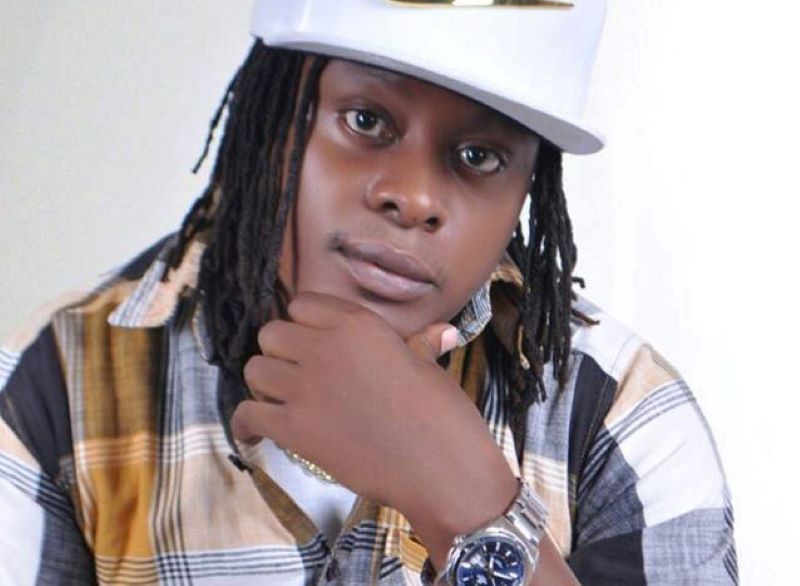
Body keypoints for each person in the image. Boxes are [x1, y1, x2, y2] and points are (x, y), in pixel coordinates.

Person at [0, 0, 736, 584]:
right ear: (270, 121)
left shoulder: (621, 416)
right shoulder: (59, 384)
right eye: (366, 120)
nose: (414, 198)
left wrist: (472, 505)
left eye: (480, 155)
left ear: (527, 186)